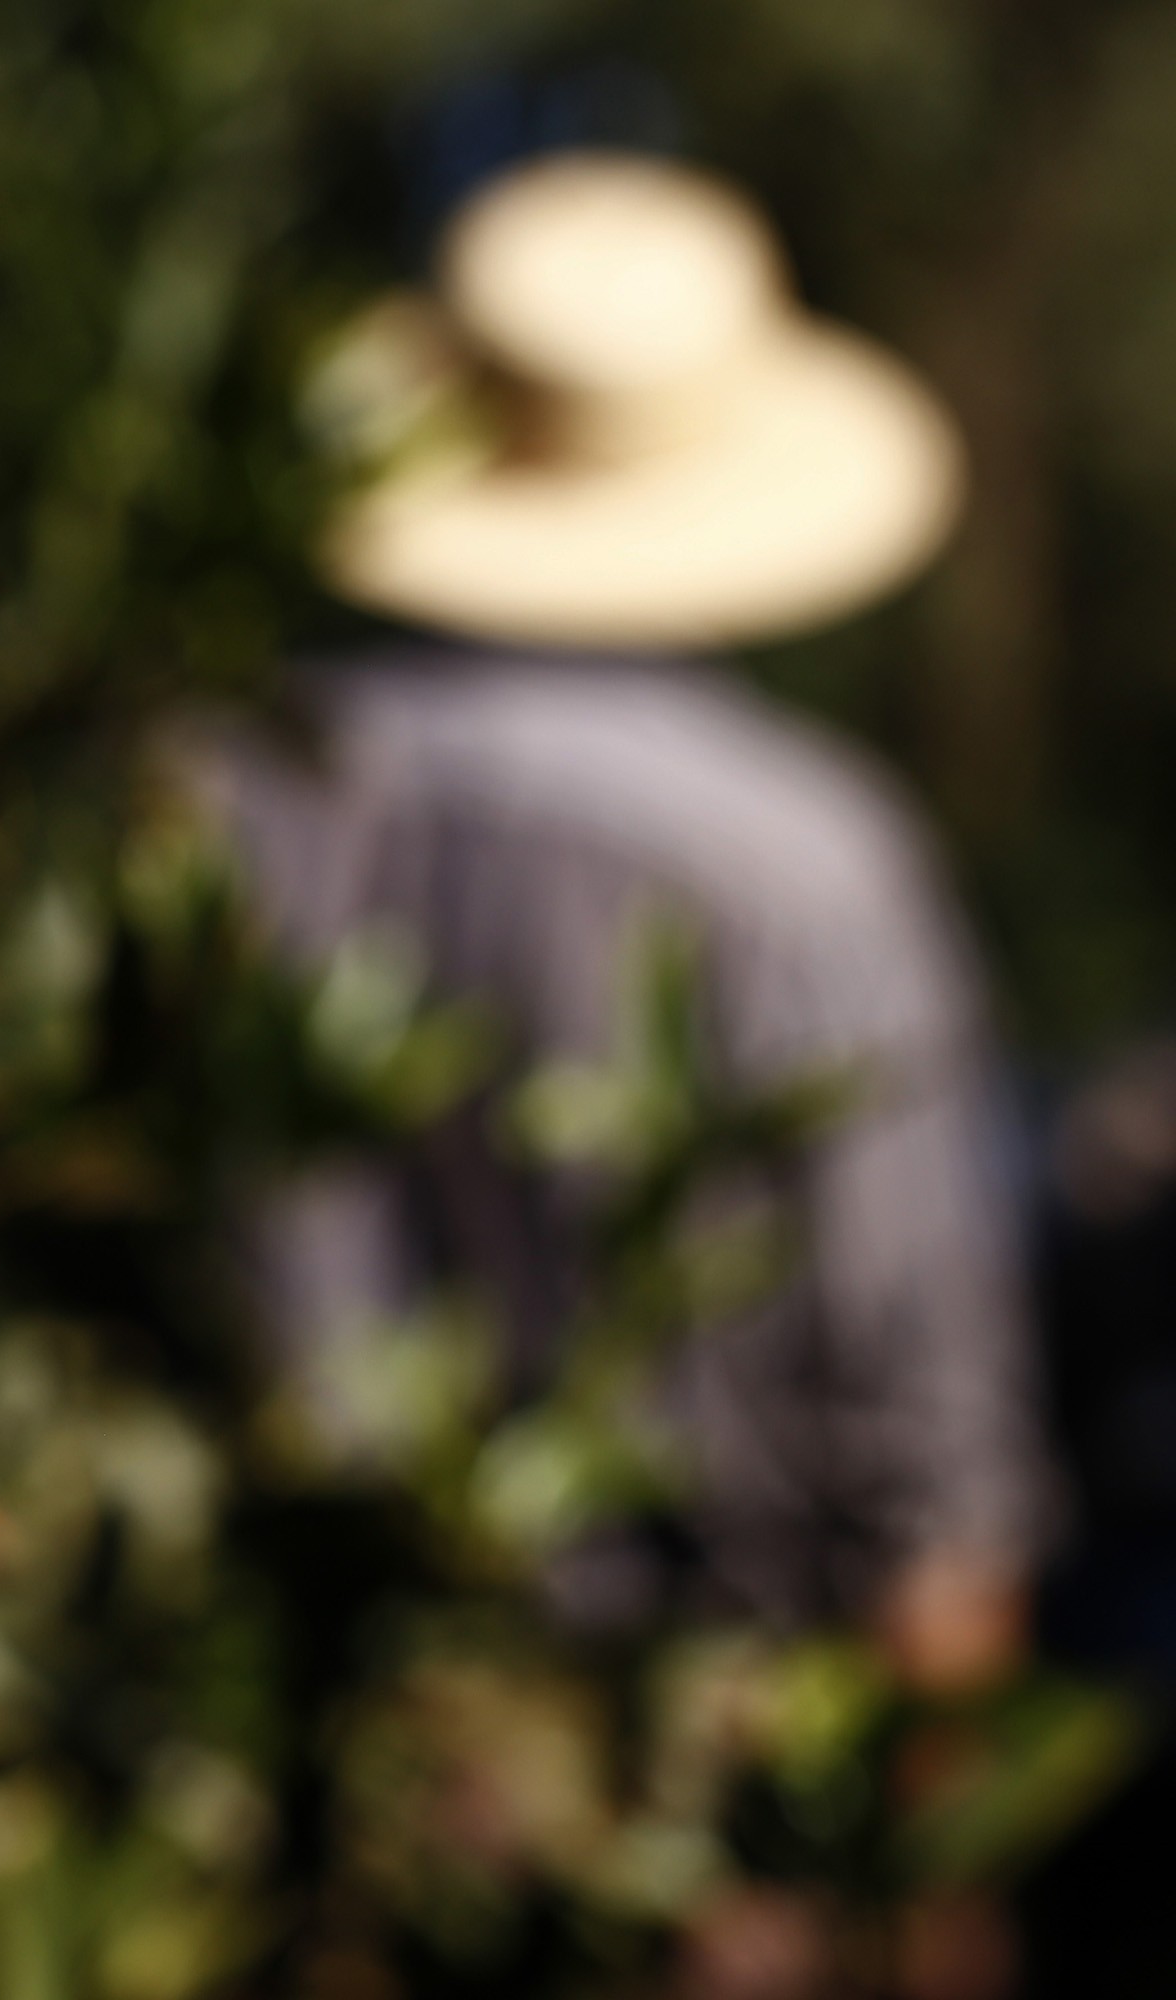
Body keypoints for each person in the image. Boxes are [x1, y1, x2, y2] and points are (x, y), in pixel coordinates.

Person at [170, 153, 1059, 1688]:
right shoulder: (812, 863)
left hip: (253, 1727)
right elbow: (924, 1420)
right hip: (694, 1751)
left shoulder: (209, 798)